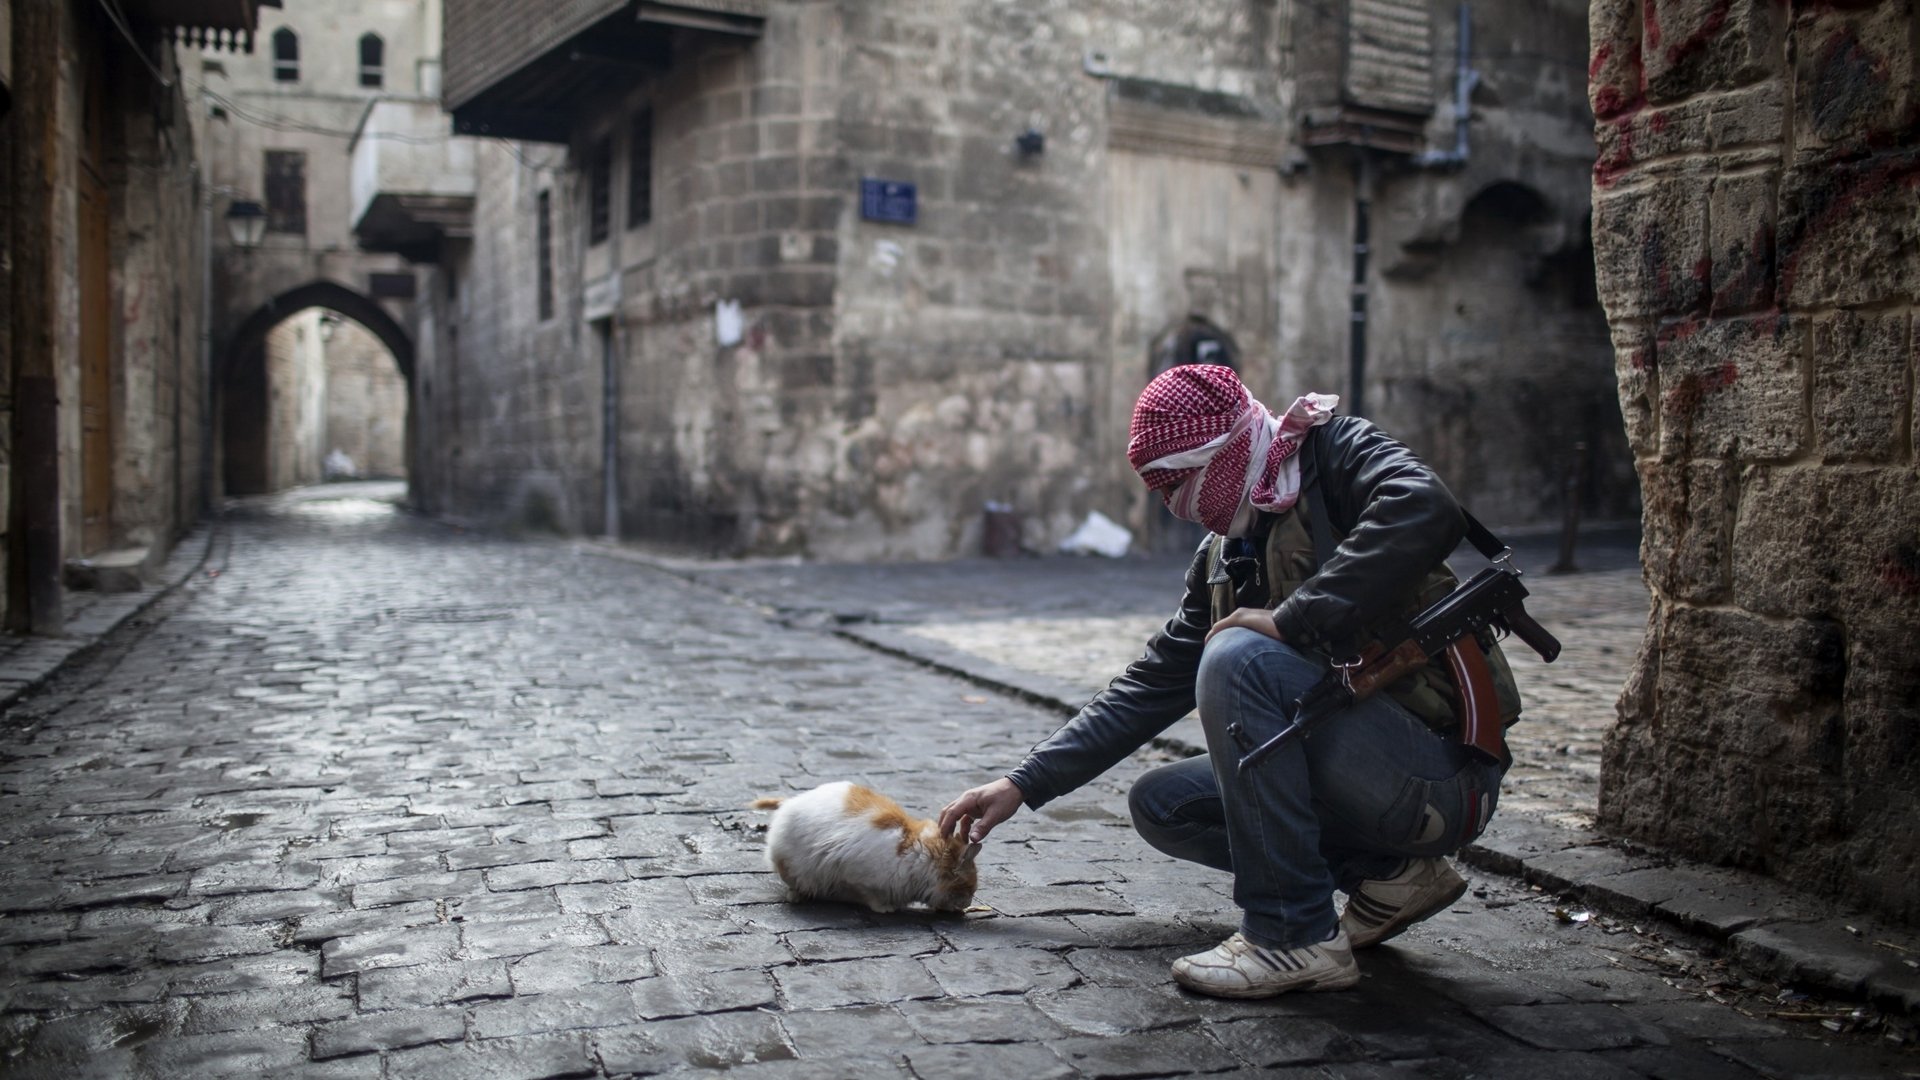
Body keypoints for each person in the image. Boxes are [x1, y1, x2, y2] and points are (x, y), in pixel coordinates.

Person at [939, 364, 1519, 1000]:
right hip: (1363, 778)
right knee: (1164, 803)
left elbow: (1426, 505)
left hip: (1441, 777)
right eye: (1157, 489)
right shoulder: (1226, 554)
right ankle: (1393, 873)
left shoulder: (1339, 451)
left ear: (1223, 451)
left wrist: (1292, 619)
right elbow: (1153, 681)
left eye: (1175, 481)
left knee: (1237, 655)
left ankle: (1291, 935)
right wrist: (1023, 782)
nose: (1169, 504)